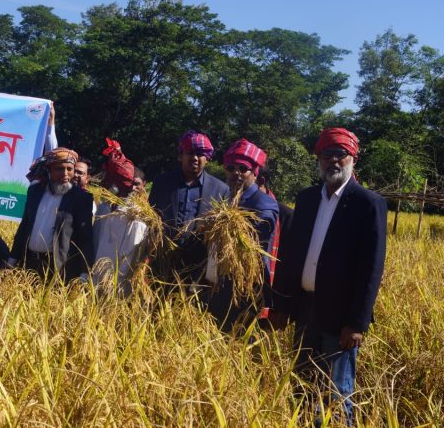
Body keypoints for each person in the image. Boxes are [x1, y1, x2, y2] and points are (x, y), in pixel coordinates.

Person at [270, 127, 387, 425]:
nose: (333, 160)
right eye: (327, 154)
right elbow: (291, 255)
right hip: (305, 310)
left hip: (340, 318)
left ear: (353, 159)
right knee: (302, 386)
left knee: (337, 393)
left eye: (340, 154)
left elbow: (370, 269)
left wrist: (357, 323)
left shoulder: (368, 203)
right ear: (319, 159)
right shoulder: (307, 199)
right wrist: (281, 306)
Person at [202, 139, 278, 332]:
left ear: (254, 172)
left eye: (243, 168)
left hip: (243, 291)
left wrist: (228, 224)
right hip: (214, 286)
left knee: (238, 345)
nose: (236, 172)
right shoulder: (222, 199)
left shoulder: (263, 204)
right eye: (230, 167)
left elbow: (258, 237)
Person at [148, 130, 229, 288]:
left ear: (207, 158)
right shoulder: (162, 182)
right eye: (190, 153)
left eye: (200, 154)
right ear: (181, 156)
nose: (195, 158)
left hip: (198, 267)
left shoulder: (221, 190)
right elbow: (150, 219)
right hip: (162, 263)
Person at [9, 147, 94, 282]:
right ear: (49, 170)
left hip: (60, 269)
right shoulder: (35, 191)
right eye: (59, 169)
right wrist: (11, 261)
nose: (65, 174)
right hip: (29, 264)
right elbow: (25, 226)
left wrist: (84, 274)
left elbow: (86, 238)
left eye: (69, 169)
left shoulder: (82, 198)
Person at [92, 139, 148, 296]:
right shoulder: (104, 208)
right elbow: (95, 242)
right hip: (94, 282)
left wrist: (114, 288)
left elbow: (129, 258)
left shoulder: (136, 216)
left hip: (117, 289)